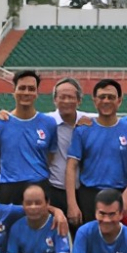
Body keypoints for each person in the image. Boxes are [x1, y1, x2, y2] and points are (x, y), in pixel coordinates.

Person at [69, 81, 127, 218]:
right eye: (102, 97)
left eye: (111, 97)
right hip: (89, 195)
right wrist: (72, 203)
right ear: (94, 100)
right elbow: (71, 166)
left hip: (120, 193)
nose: (106, 101)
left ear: (119, 100)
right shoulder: (83, 130)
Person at [0, 71, 56, 206]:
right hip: (9, 187)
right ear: (14, 91)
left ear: (37, 93)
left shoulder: (49, 123)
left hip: (39, 184)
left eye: (31, 89)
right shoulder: (0, 124)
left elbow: (50, 156)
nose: (26, 92)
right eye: (22, 88)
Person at [44, 76, 93, 220]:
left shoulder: (90, 121)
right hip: (54, 189)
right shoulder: (46, 122)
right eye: (62, 97)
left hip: (83, 190)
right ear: (55, 100)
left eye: (71, 97)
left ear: (79, 100)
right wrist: (3, 114)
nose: (66, 101)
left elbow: (114, 120)